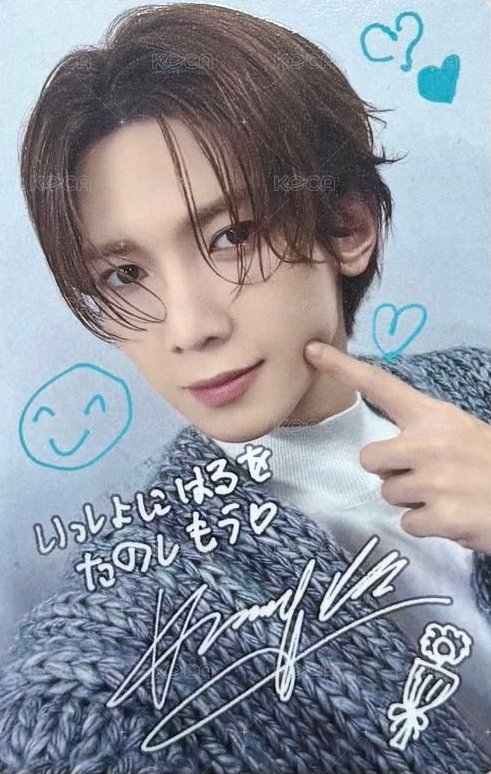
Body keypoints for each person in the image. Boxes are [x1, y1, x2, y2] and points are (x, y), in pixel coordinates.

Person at [1, 4, 491, 773]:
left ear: (347, 226)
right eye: (124, 275)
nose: (188, 327)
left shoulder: (477, 386)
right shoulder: (115, 653)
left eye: (231, 236)